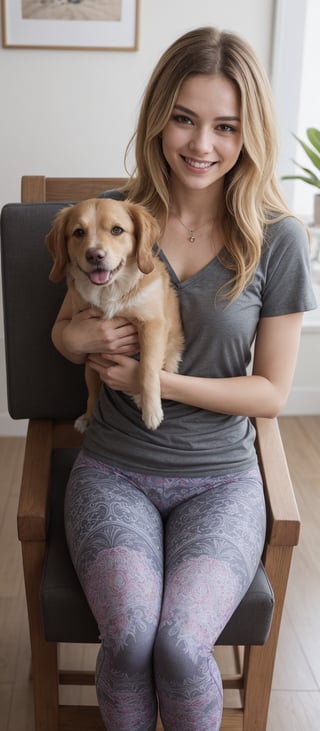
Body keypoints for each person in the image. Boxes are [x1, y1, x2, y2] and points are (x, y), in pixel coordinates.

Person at [52, 26, 317, 731]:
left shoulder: (278, 239)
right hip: (115, 468)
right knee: (132, 635)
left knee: (178, 642)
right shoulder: (110, 225)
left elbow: (270, 393)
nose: (202, 143)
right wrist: (72, 335)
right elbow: (66, 323)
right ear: (157, 119)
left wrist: (155, 381)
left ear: (248, 133)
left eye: (225, 126)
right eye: (185, 118)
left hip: (221, 478)